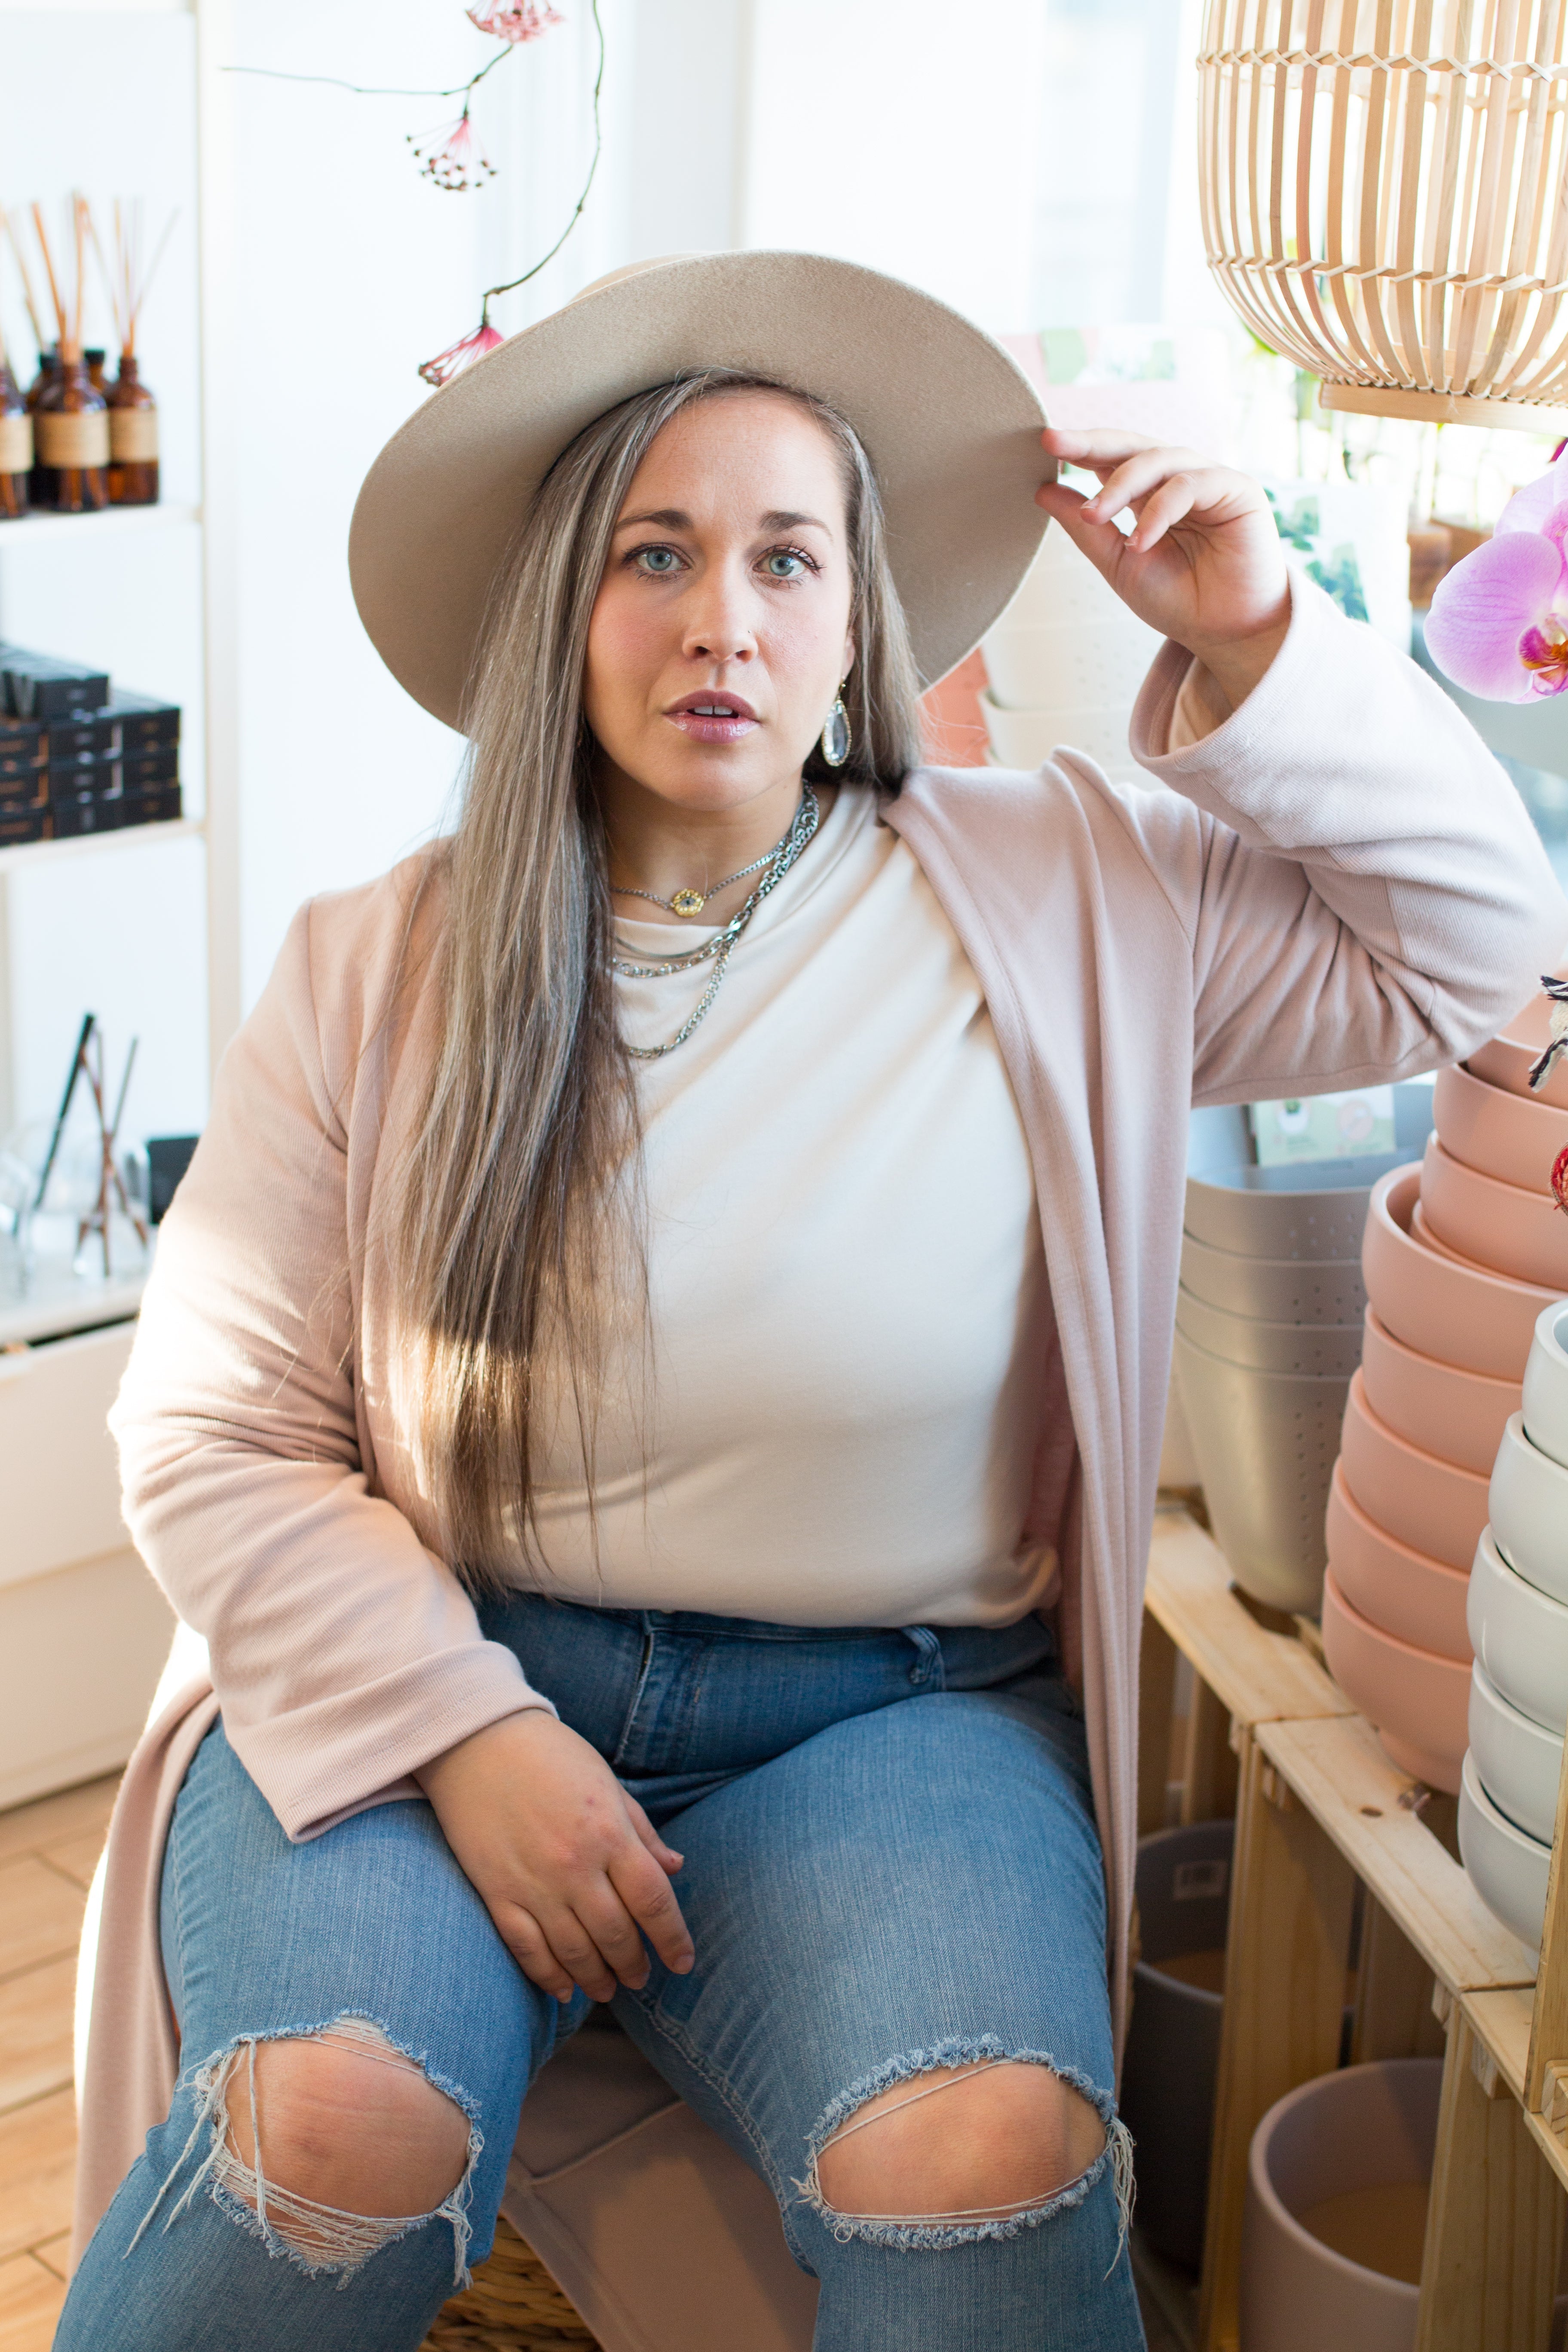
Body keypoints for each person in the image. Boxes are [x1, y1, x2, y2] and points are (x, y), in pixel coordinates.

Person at [58, 253, 1566, 2352]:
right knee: (324, 2133)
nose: (720, 621)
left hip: (893, 1721)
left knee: (987, 2169)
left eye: (788, 557)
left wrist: (1250, 630)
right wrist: (468, 1732)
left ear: (860, 619)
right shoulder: (378, 963)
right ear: (559, 607)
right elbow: (214, 1429)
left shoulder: (1067, 893)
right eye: (652, 555)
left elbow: (1484, 946)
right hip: (443, 1682)